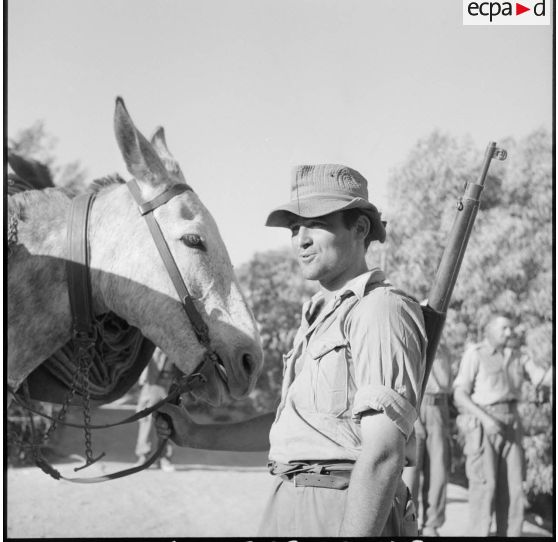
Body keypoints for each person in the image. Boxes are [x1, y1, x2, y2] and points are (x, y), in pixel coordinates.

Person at [155, 164, 427, 536]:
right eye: (295, 228)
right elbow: (295, 427)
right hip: (291, 498)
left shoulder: (379, 310)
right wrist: (194, 434)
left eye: (316, 223)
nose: (300, 239)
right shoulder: (320, 316)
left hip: (342, 505)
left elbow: (383, 454)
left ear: (360, 228)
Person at [453, 314, 526, 536]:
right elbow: (459, 394)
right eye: (504, 328)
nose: (510, 332)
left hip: (511, 426)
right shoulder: (475, 354)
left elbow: (542, 376)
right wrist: (485, 419)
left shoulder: (516, 356)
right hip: (484, 425)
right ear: (490, 331)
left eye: (511, 328)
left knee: (514, 490)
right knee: (485, 487)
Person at [402, 344, 453, 536]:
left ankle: (432, 524)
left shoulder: (444, 347)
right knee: (411, 471)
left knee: (439, 468)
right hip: (415, 404)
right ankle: (407, 522)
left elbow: (447, 383)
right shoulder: (413, 339)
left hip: (439, 408)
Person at [135, 347, 176, 472]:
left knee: (165, 420)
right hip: (149, 383)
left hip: (165, 382)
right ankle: (143, 456)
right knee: (145, 420)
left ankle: (164, 457)